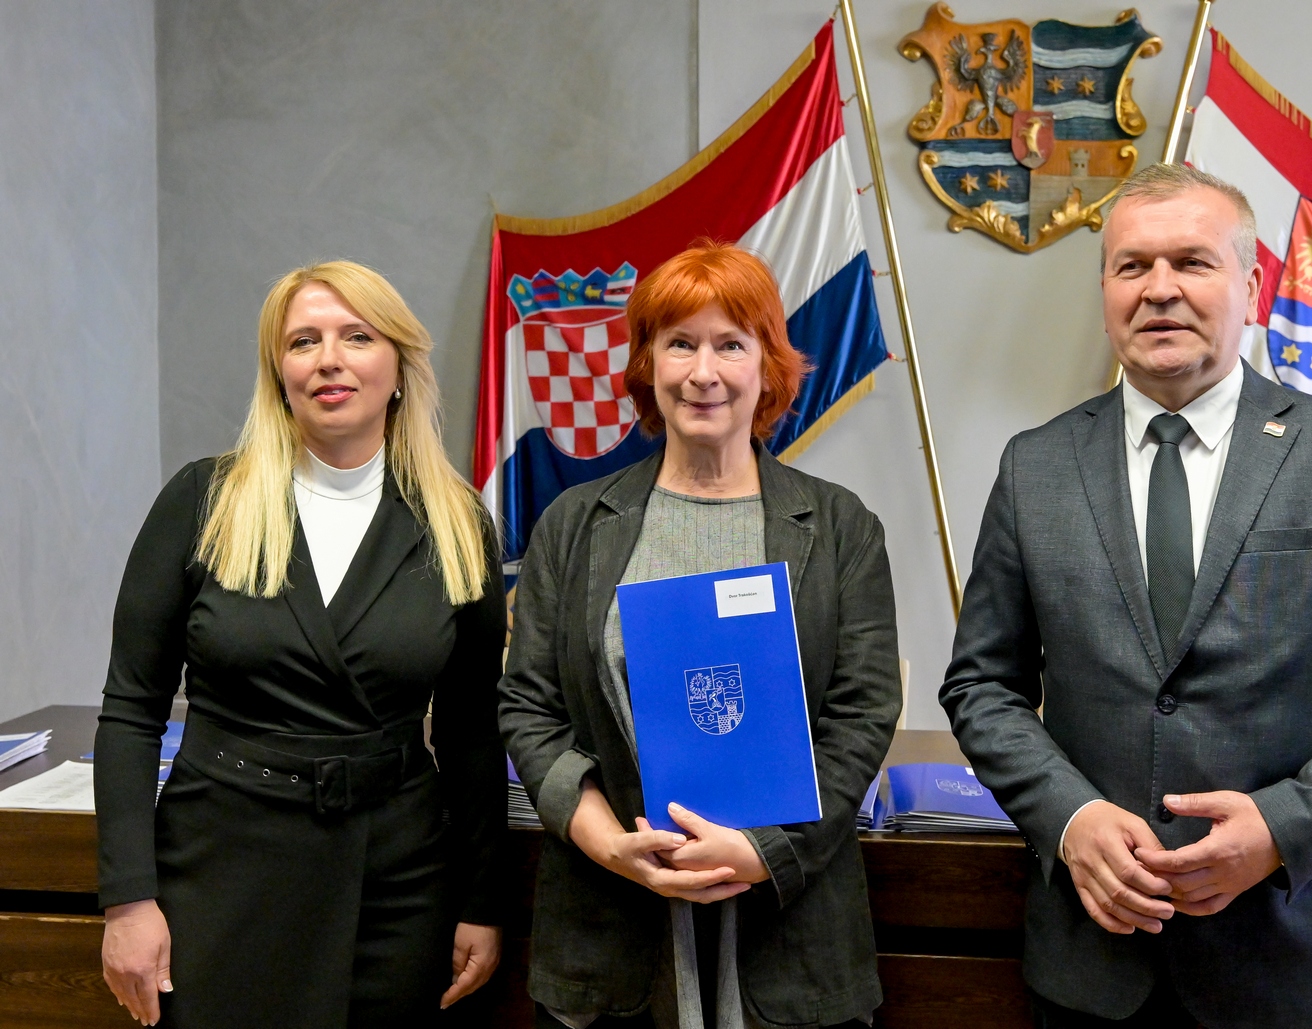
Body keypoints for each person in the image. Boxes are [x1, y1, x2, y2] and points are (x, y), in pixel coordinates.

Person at [940, 163, 1312, 1029]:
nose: (1160, 289)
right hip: (1092, 966)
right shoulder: (1035, 466)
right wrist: (1068, 818)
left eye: (1192, 262)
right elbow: (981, 685)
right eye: (1132, 266)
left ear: (1252, 287)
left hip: (1289, 959)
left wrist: (1282, 827)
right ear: (1105, 292)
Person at [94, 261, 507, 1027]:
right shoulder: (204, 501)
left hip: (397, 881)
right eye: (303, 341)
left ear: (399, 366)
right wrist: (127, 899)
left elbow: (471, 730)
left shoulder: (457, 521)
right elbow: (130, 710)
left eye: (358, 337)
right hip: (222, 869)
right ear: (278, 372)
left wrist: (482, 900)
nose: (329, 359)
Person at [499, 241, 900, 1029]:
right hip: (610, 920)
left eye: (730, 345)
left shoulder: (839, 526)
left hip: (790, 928)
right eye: (679, 343)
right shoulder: (574, 524)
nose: (703, 372)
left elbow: (862, 714)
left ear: (767, 365)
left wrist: (764, 851)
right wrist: (609, 842)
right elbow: (528, 707)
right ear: (647, 363)